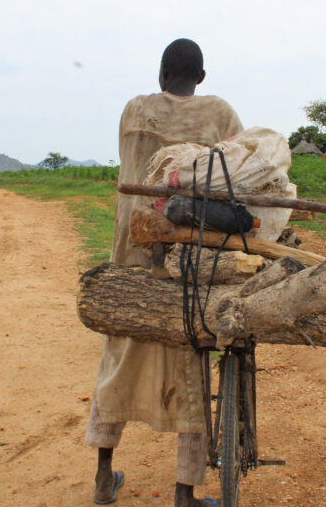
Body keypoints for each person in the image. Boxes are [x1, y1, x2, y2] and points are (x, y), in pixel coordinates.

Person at [85, 39, 244, 507]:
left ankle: (101, 476)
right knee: (190, 366)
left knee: (118, 359)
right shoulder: (219, 113)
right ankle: (184, 493)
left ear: (161, 74)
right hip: (187, 262)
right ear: (201, 76)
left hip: (129, 256)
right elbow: (239, 177)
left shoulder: (135, 111)